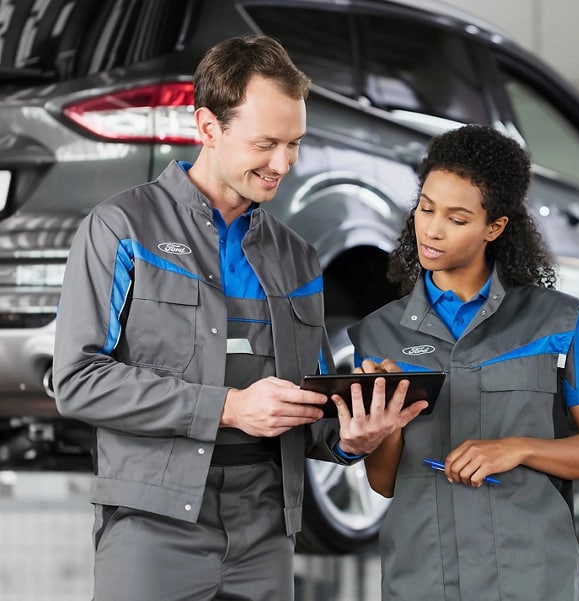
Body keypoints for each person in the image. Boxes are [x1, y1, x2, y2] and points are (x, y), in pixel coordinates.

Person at [52, 35, 425, 601]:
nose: (283, 164)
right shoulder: (121, 229)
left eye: (294, 144)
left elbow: (313, 411)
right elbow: (78, 381)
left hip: (267, 530)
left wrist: (353, 436)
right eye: (266, 143)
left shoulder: (297, 256)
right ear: (208, 127)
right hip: (154, 524)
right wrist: (229, 407)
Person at [349, 124, 579, 601]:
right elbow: (384, 482)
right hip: (425, 582)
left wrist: (517, 449)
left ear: (493, 228)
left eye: (456, 219)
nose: (432, 229)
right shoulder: (379, 334)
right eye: (426, 208)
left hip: (534, 582)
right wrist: (385, 426)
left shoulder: (555, 323)